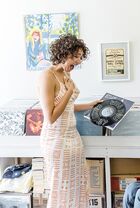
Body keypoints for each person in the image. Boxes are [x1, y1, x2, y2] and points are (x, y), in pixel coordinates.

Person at [38, 34, 102, 208]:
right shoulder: (47, 76)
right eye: (75, 56)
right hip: (56, 141)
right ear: (63, 53)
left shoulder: (66, 74)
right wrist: (68, 91)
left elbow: (67, 106)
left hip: (73, 139)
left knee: (77, 186)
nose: (79, 61)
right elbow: (50, 117)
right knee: (59, 187)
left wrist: (90, 105)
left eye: (81, 57)